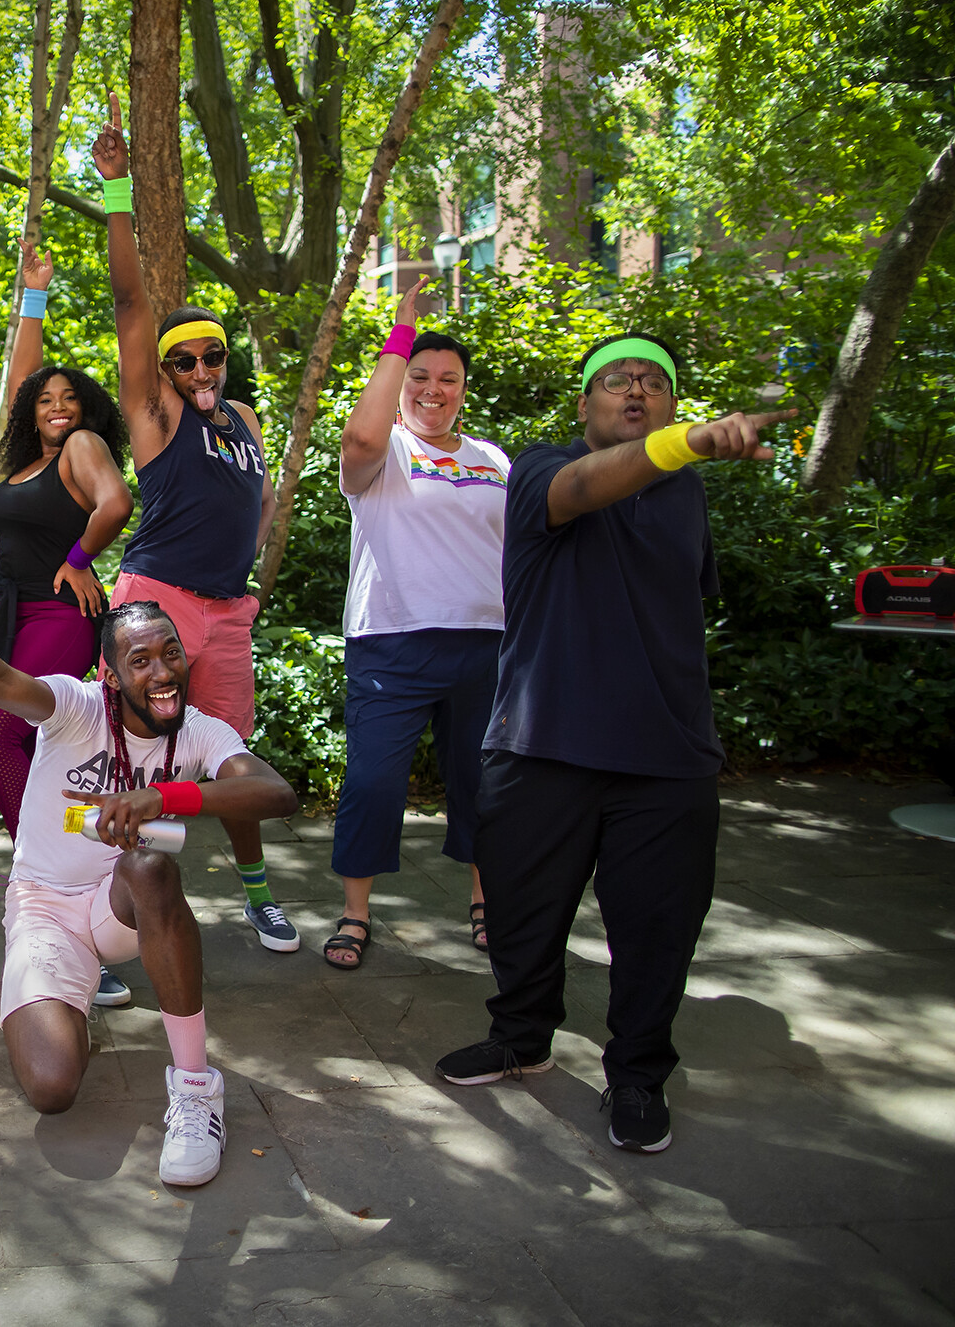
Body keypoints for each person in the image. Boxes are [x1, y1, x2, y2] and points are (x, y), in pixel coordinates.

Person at [433, 334, 792, 1154]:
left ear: (670, 402)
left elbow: (676, 600)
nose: (637, 389)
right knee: (521, 919)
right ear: (587, 402)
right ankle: (522, 1037)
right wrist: (689, 440)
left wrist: (681, 458)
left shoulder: (684, 492)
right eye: (618, 379)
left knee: (655, 931)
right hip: (541, 745)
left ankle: (636, 1072)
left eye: (656, 382)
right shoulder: (540, 468)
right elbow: (585, 487)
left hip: (665, 758)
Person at [0, 600, 299, 1185]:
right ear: (110, 675)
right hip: (45, 906)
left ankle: (195, 1091)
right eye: (140, 661)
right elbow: (2, 680)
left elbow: (275, 794)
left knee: (149, 865)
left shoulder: (200, 730)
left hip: (122, 907)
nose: (161, 673)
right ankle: (68, 994)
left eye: (171, 654)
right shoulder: (77, 706)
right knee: (52, 1089)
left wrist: (167, 797)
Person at [91, 93, 294, 955]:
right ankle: (103, 917)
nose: (201, 366)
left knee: (234, 764)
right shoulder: (158, 417)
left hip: (229, 611)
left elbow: (254, 505)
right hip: (158, 602)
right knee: (130, 763)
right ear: (165, 373)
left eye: (212, 353)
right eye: (185, 359)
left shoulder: (242, 418)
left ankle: (256, 893)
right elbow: (132, 300)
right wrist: (118, 192)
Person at [324, 283, 509, 970]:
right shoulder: (383, 455)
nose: (434, 390)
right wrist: (401, 333)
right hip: (391, 643)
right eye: (419, 376)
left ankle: (488, 899)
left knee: (485, 783)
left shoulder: (495, 461)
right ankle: (356, 912)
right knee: (373, 781)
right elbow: (360, 432)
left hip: (485, 644)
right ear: (400, 380)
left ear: (464, 389)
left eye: (448, 379)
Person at [0, 238, 137, 1009]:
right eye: (46, 400)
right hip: (10, 615)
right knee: (38, 751)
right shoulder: (24, 461)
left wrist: (78, 558)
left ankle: (45, 887)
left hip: (60, 612)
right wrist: (32, 297)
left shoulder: (81, 446)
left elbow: (116, 504)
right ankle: (69, 908)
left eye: (68, 397)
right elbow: (19, 381)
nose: (55, 405)